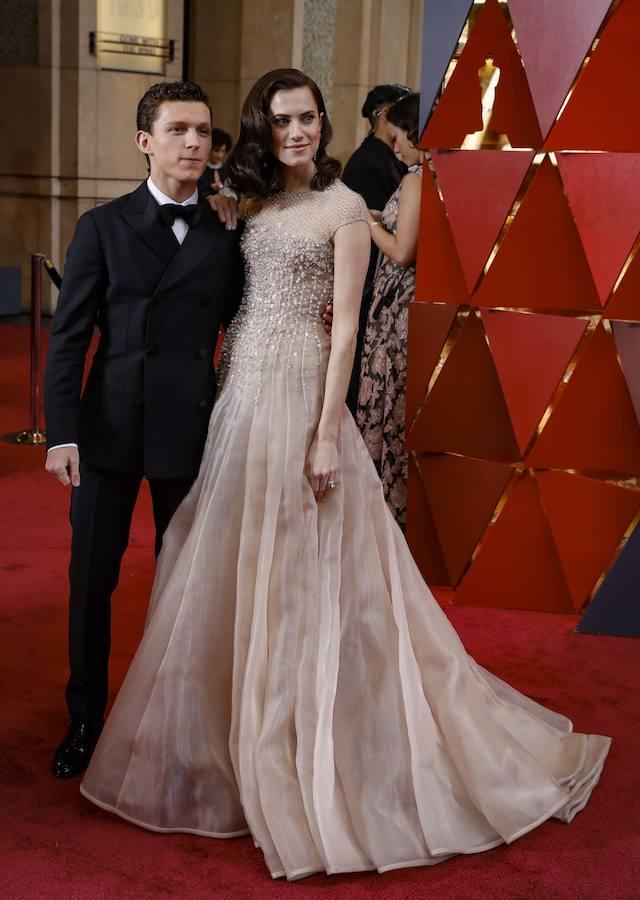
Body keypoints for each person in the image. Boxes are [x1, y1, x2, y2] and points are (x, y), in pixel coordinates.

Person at [80, 69, 610, 881]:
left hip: (301, 407)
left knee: (305, 581)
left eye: (309, 118)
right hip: (239, 404)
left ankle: (305, 745)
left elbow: (349, 329)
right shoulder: (250, 207)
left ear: (325, 125)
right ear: (264, 125)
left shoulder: (344, 209)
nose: (299, 131)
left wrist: (328, 434)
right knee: (226, 570)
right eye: (284, 119)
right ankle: (224, 745)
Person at [43, 81, 244, 780]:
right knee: (90, 581)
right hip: (106, 431)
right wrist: (60, 434)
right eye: (180, 129)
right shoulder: (102, 226)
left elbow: (240, 331)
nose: (195, 143)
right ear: (145, 141)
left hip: (191, 435)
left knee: (187, 585)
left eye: (205, 132)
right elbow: (68, 340)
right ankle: (86, 718)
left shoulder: (225, 235)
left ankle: (177, 726)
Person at [357, 92, 423, 529]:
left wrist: (367, 220)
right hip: (397, 301)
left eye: (398, 137)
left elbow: (402, 251)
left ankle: (384, 513)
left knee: (390, 403)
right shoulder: (422, 175)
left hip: (398, 302)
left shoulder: (419, 176)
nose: (394, 146)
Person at [342, 83, 412, 414]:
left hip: (392, 288)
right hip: (372, 284)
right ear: (385, 114)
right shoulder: (367, 162)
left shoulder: (395, 160)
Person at [197, 126, 232, 196]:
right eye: (216, 151)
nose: (219, 155)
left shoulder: (228, 169)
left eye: (222, 151)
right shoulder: (201, 168)